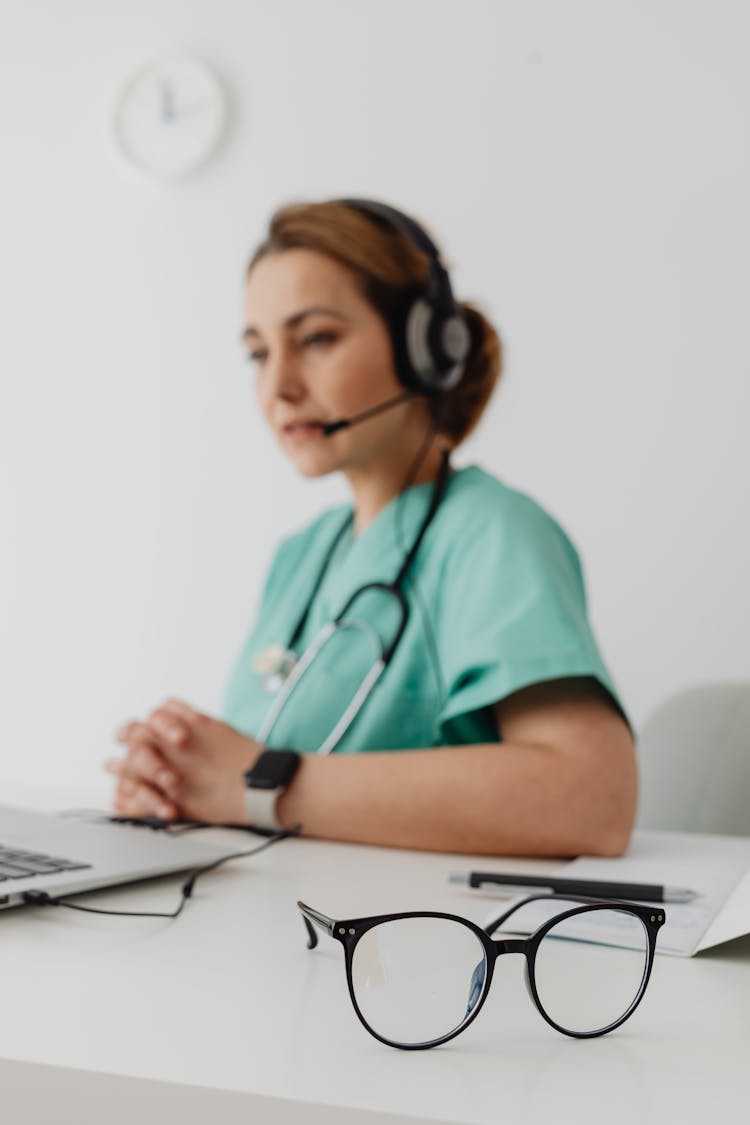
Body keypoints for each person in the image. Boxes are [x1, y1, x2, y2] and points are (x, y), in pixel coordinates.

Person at [106, 198, 637, 857]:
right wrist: (176, 789)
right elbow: (241, 788)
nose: (279, 385)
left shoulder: (493, 533)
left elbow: (592, 799)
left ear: (426, 348)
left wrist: (254, 784)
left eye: (316, 339)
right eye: (257, 353)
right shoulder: (301, 556)